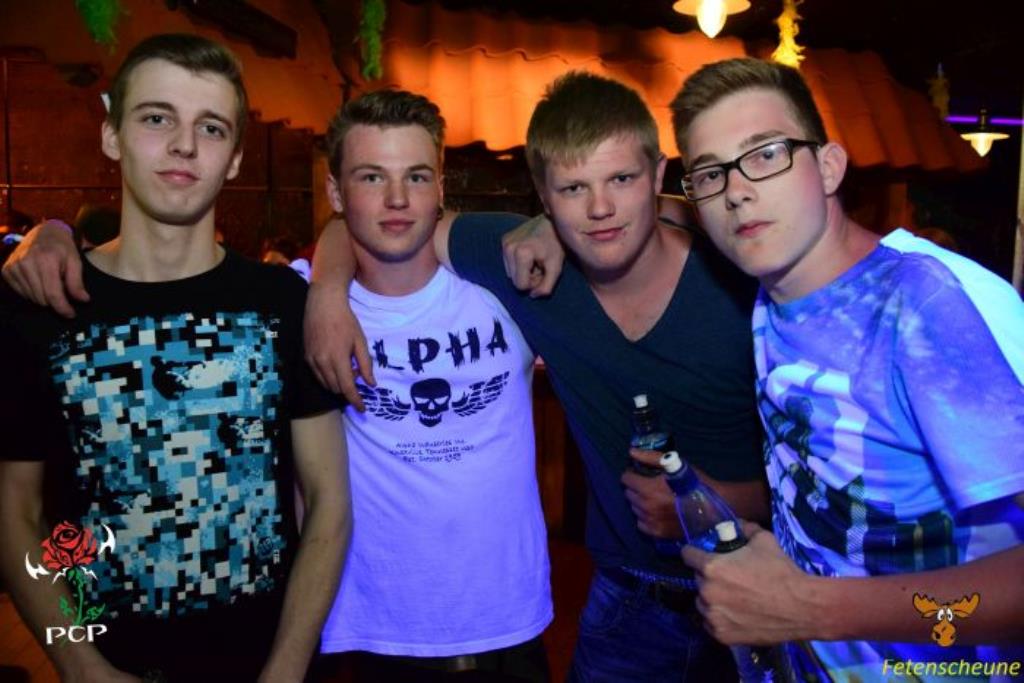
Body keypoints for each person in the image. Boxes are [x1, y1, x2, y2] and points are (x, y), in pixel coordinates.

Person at [303, 72, 769, 681]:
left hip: (766, 585)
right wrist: (324, 293)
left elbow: (830, 481)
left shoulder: (744, 282)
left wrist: (707, 503)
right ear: (544, 199)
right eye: (573, 188)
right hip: (622, 603)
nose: (598, 208)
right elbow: (366, 222)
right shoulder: (513, 265)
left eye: (621, 180)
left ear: (656, 178)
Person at [0, 33, 350, 682]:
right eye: (157, 118)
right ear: (112, 135)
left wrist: (285, 669)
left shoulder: (280, 300)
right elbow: (16, 513)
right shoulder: (42, 307)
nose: (185, 144)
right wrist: (80, 663)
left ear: (235, 158)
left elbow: (329, 501)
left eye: (210, 127)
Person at [669, 57, 1024, 681]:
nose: (737, 190)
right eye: (710, 173)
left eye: (767, 154)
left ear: (830, 167)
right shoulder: (774, 291)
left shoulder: (929, 305)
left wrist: (807, 607)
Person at [311, 89, 551, 681]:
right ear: (336, 193)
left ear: (441, 187)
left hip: (509, 628)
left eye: (416, 176)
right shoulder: (301, 304)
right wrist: (324, 288)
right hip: (372, 636)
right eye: (372, 177)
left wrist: (551, 226)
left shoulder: (504, 289)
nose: (397, 199)